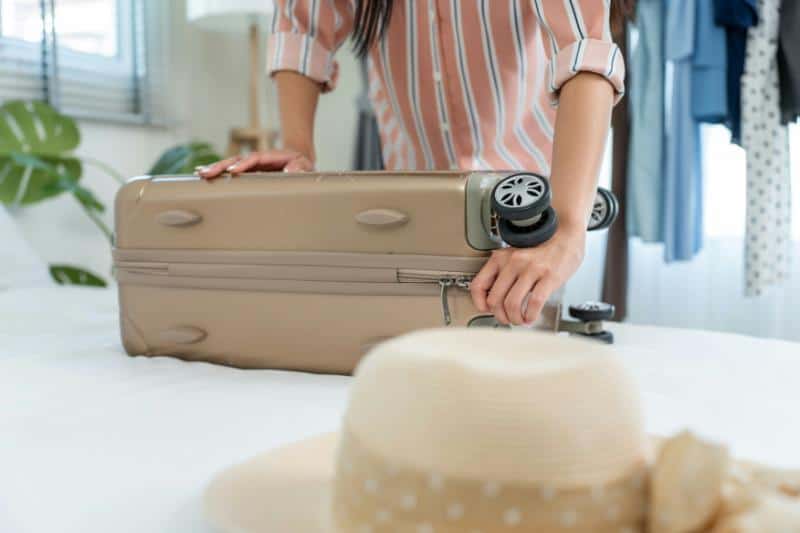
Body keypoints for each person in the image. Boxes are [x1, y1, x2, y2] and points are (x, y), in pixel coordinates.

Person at [199, 0, 628, 327]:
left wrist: (567, 232)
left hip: (528, 228)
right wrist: (297, 148)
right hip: (414, 222)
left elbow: (586, 50)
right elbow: (303, 27)